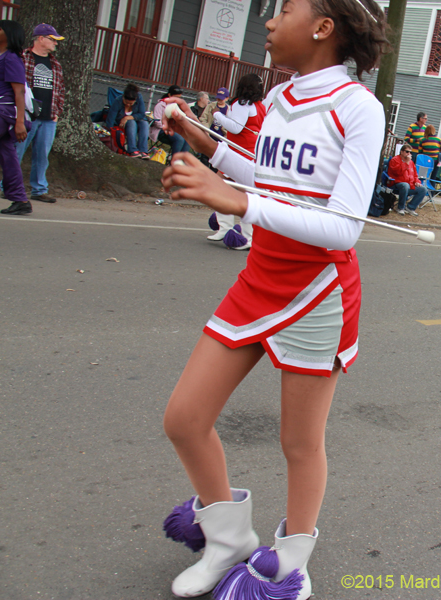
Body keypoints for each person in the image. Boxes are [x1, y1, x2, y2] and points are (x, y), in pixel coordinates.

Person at [156, 0, 388, 597]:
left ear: (323, 27)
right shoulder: (281, 99)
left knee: (299, 443)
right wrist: (203, 142)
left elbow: (344, 228)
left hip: (316, 293)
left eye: (284, 9)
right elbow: (267, 180)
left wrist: (236, 201)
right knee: (184, 418)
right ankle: (229, 539)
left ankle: (289, 567)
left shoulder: (359, 107)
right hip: (259, 279)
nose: (268, 20)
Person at [207, 73, 267, 250]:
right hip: (249, 151)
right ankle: (230, 229)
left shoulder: (242, 104)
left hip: (239, 151)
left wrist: (217, 115)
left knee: (227, 189)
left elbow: (235, 127)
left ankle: (242, 234)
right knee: (232, 189)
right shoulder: (259, 105)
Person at [0, 20, 31, 215]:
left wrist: (20, 122)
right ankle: (20, 199)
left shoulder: (11, 58)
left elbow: (19, 91)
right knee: (8, 157)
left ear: (9, 34)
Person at [15, 23, 65, 203]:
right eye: (53, 40)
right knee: (16, 152)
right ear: (41, 38)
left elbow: (60, 89)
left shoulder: (55, 64)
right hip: (27, 116)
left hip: (48, 118)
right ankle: (9, 186)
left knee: (42, 156)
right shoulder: (22, 58)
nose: (56, 43)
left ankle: (39, 189)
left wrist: (57, 111)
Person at [105, 83, 150, 158]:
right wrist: (109, 131)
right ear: (123, 98)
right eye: (126, 102)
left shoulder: (139, 98)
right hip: (123, 124)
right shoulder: (118, 101)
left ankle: (143, 151)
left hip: (137, 121)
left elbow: (142, 114)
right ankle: (132, 150)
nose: (128, 105)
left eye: (131, 103)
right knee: (131, 122)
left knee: (144, 124)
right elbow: (111, 118)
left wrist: (126, 118)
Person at [151, 85, 192, 158]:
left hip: (174, 130)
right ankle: (174, 161)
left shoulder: (178, 106)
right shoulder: (160, 105)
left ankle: (182, 161)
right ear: (169, 95)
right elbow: (157, 122)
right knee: (179, 139)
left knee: (187, 139)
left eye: (179, 98)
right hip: (161, 130)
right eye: (175, 97)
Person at [387, 145, 427, 215]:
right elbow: (397, 173)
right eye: (407, 151)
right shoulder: (395, 160)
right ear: (401, 152)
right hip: (397, 183)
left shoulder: (411, 162)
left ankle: (410, 207)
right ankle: (400, 208)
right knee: (405, 185)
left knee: (423, 189)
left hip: (410, 184)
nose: (408, 154)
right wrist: (406, 163)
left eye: (410, 152)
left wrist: (417, 181)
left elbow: (415, 174)